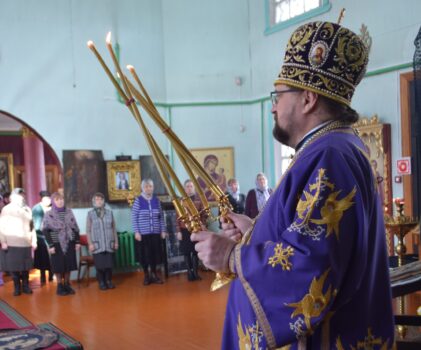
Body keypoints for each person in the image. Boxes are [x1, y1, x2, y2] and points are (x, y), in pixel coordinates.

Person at [192, 21, 394, 349]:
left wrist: (232, 257)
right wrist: (255, 230)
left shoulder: (330, 154)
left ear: (308, 98)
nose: (273, 106)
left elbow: (312, 264)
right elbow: (314, 234)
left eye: (278, 95)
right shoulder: (335, 146)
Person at [0, 188, 37, 296]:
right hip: (12, 243)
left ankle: (26, 286)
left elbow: (32, 226)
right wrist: (3, 241)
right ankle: (17, 287)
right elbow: (1, 226)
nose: (21, 197)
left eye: (22, 195)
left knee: (26, 267)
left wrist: (34, 240)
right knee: (14, 267)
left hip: (26, 242)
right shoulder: (6, 209)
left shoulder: (27, 209)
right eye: (19, 195)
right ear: (13, 197)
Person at [43, 192, 80, 296]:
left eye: (62, 199)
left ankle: (67, 284)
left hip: (69, 242)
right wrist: (50, 245)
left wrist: (77, 242)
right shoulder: (49, 214)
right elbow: (45, 231)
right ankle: (59, 286)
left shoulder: (69, 212)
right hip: (56, 244)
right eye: (57, 200)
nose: (60, 201)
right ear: (53, 202)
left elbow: (75, 228)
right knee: (58, 266)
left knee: (68, 265)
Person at [132, 179, 167, 285]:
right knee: (145, 256)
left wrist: (163, 230)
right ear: (143, 188)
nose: (149, 188)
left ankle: (154, 274)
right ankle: (146, 275)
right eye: (146, 186)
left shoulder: (156, 200)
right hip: (143, 234)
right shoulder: (138, 200)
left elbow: (161, 217)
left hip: (155, 233)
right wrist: (136, 232)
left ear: (153, 187)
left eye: (150, 186)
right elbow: (134, 217)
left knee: (154, 255)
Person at [86, 192, 118, 290]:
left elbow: (114, 228)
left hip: (109, 243)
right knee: (100, 266)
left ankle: (109, 281)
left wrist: (116, 242)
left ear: (103, 201)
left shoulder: (109, 212)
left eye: (101, 199)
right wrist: (90, 243)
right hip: (97, 244)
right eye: (97, 199)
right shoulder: (90, 214)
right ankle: (102, 282)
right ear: (94, 202)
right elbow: (88, 230)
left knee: (109, 265)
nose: (99, 201)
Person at [176, 180, 206, 281]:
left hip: (196, 229)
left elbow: (203, 215)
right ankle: (189, 273)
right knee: (187, 252)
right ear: (184, 188)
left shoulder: (199, 199)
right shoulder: (180, 201)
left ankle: (195, 273)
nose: (189, 188)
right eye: (188, 186)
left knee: (195, 251)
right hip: (184, 229)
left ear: (194, 188)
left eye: (191, 186)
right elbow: (177, 216)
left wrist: (203, 226)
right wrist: (178, 231)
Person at [32, 190, 53, 285]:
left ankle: (52, 275)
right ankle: (43, 276)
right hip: (40, 236)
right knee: (42, 257)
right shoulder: (37, 209)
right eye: (46, 199)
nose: (48, 200)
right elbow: (36, 225)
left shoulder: (53, 207)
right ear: (42, 199)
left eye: (49, 198)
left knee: (52, 257)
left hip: (51, 236)